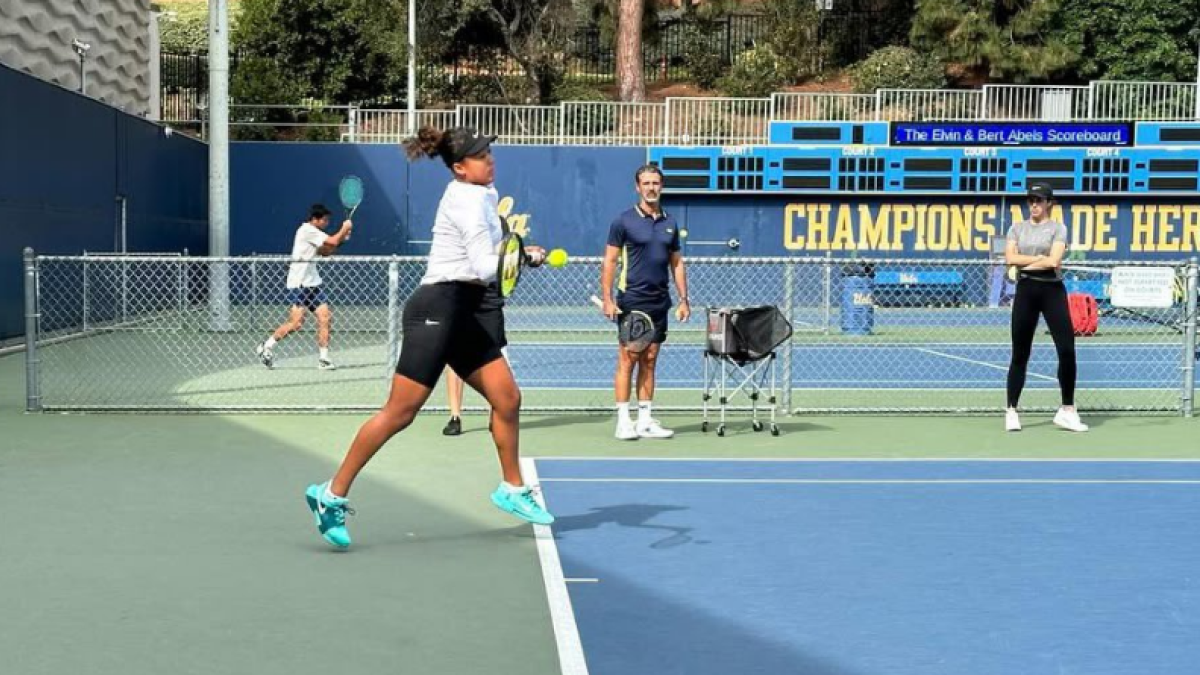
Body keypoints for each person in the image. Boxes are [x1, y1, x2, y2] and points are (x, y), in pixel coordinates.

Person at [304, 127, 552, 549]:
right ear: (460, 168)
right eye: (480, 155)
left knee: (507, 398)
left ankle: (512, 488)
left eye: (489, 152)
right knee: (401, 413)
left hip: (466, 310)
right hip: (437, 308)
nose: (489, 159)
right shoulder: (466, 199)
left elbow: (490, 258)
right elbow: (481, 262)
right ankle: (330, 494)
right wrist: (514, 258)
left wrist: (519, 253)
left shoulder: (486, 194)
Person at [599, 164, 690, 441]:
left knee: (650, 360)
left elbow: (676, 263)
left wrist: (683, 299)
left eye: (655, 183)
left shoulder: (670, 223)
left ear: (661, 186)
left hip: (659, 301)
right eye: (646, 183)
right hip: (632, 300)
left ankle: (645, 420)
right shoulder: (623, 221)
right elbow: (611, 260)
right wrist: (607, 298)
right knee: (629, 359)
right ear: (638, 187)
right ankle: (624, 421)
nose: (651, 188)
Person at [1004, 182, 1088, 433]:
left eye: (1039, 200)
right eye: (1031, 200)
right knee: (1020, 353)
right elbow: (1010, 259)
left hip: (1052, 291)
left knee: (1066, 349)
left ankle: (1067, 410)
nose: (1034, 205)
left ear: (1049, 203)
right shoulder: (1016, 228)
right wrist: (1039, 259)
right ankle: (1011, 410)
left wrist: (1032, 261)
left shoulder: (1058, 228)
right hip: (1026, 290)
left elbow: (1054, 261)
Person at [256, 204, 352, 370]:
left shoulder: (315, 233)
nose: (327, 223)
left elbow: (325, 251)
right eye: (325, 220)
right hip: (299, 284)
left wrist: (342, 239)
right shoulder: (307, 230)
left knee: (325, 317)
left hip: (313, 283)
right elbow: (332, 240)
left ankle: (323, 358)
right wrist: (344, 229)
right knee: (296, 323)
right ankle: (266, 346)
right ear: (315, 219)